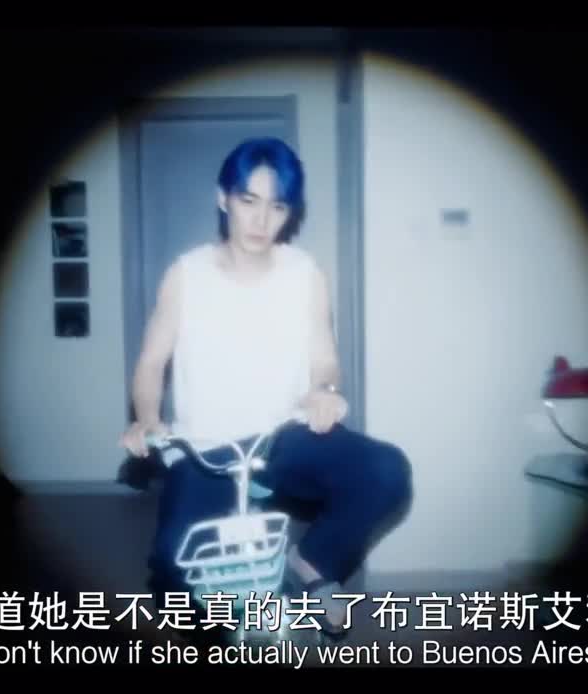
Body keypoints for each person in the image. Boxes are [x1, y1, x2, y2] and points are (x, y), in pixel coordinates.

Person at [118, 136, 412, 641]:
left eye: (277, 207)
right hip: (206, 448)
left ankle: (311, 562)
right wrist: (147, 418)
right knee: (172, 573)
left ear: (288, 213)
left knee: (387, 471)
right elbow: (150, 363)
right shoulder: (186, 276)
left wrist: (323, 389)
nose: (260, 220)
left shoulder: (305, 274)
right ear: (223, 199)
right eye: (248, 201)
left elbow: (323, 358)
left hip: (285, 439)